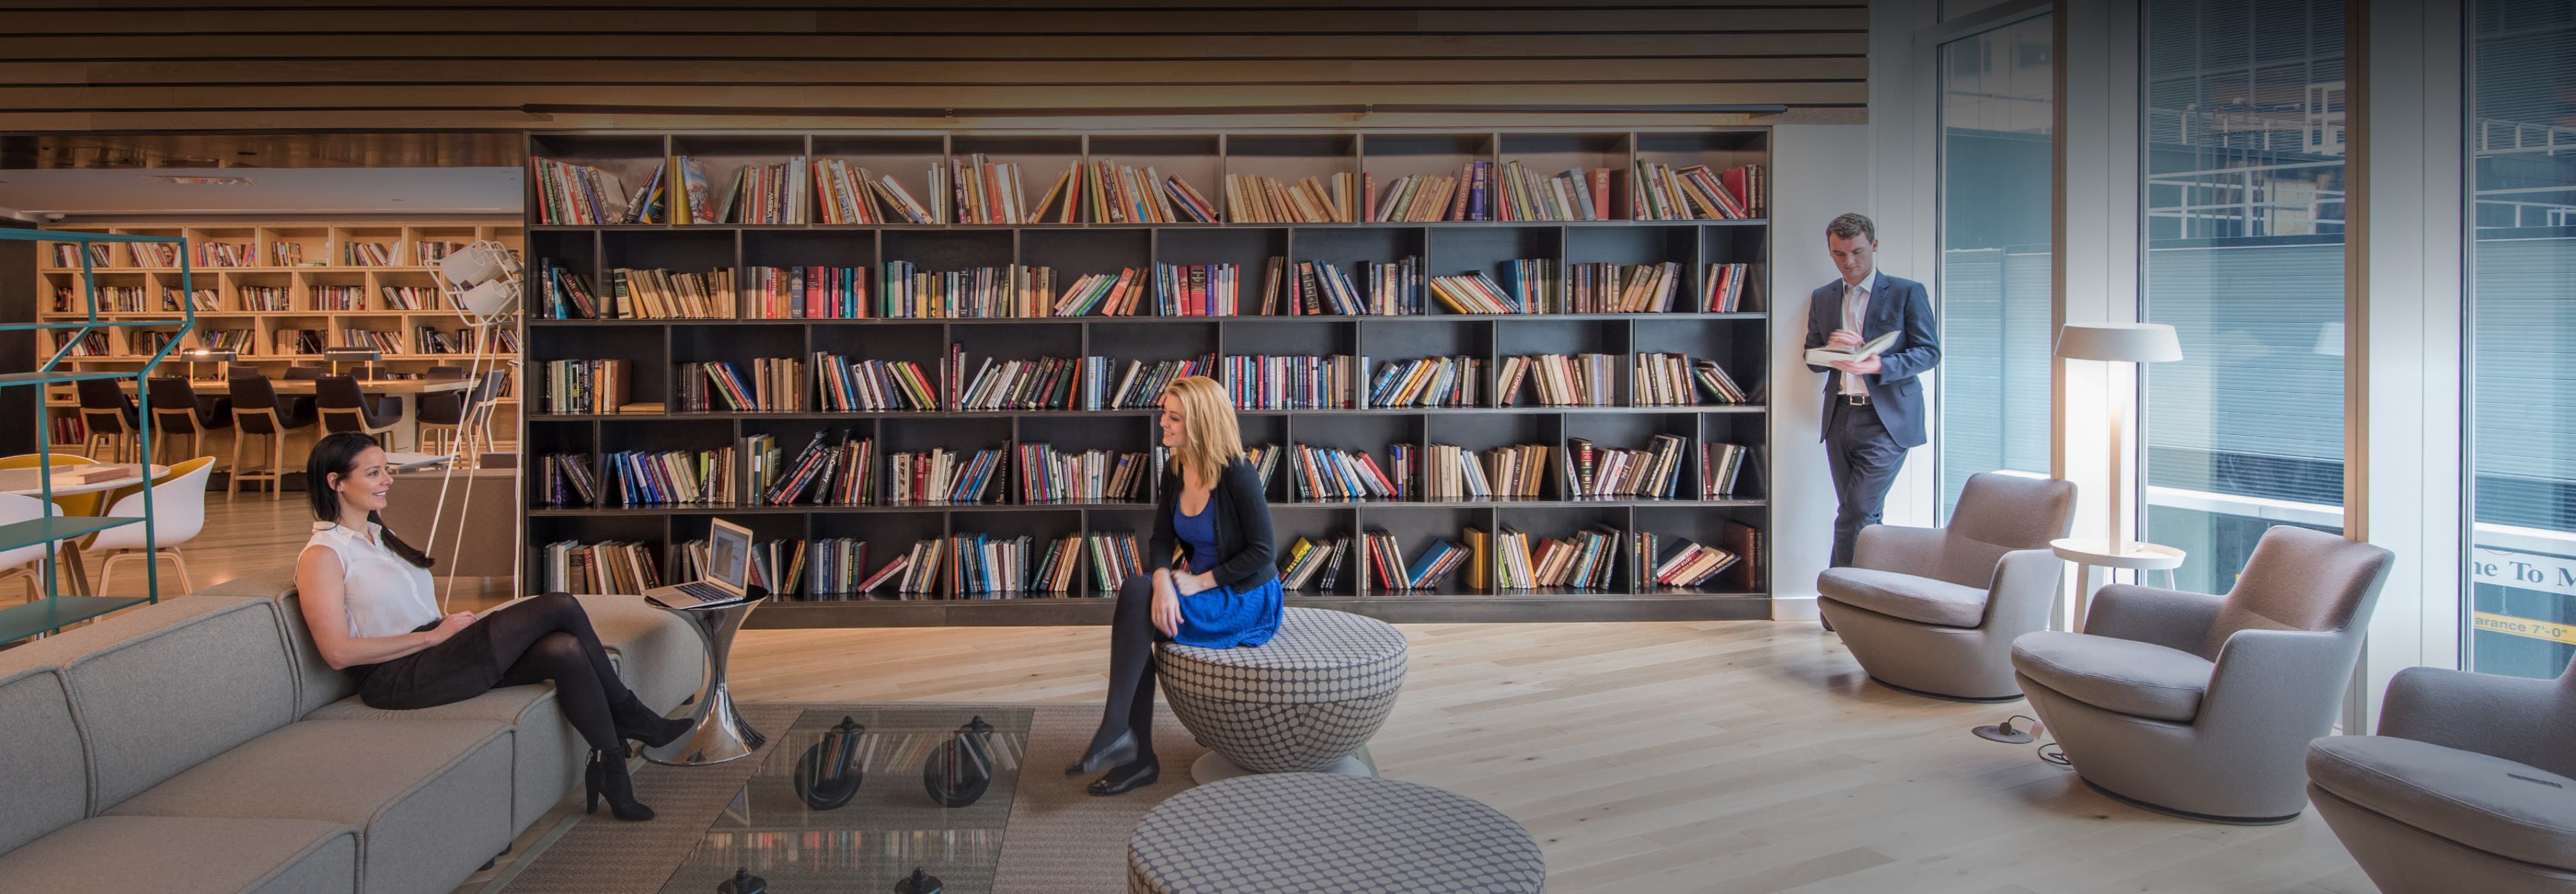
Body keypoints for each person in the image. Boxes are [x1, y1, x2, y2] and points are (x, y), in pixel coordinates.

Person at [292, 432, 691, 821]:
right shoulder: (324, 555)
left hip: (435, 651)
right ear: (337, 483)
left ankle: (612, 773)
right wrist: (432, 636)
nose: (388, 480)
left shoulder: (380, 535)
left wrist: (441, 630)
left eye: (386, 470)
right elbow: (337, 652)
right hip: (396, 678)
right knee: (560, 605)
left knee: (564, 650)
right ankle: (630, 714)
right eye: (375, 473)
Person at [1067, 375, 1282, 796]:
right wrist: (1163, 580)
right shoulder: (1175, 469)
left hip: (1243, 593)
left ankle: (1130, 748)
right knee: (1140, 597)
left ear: (1201, 424)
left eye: (1174, 418)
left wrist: (1198, 582)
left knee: (1135, 601)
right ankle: (1127, 746)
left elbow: (1263, 553)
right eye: (1165, 414)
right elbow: (1161, 539)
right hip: (1192, 581)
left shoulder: (1238, 474)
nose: (1162, 424)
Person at [1804, 213, 1940, 584]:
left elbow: (1930, 352)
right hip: (1840, 418)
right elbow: (1811, 358)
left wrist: (1881, 364)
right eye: (1839, 254)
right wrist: (1830, 350)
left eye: (1858, 252)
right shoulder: (1823, 297)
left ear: (1874, 246)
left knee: (1856, 512)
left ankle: (1835, 603)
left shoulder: (1907, 292)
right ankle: (1869, 601)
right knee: (1863, 515)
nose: (1850, 262)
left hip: (1888, 421)